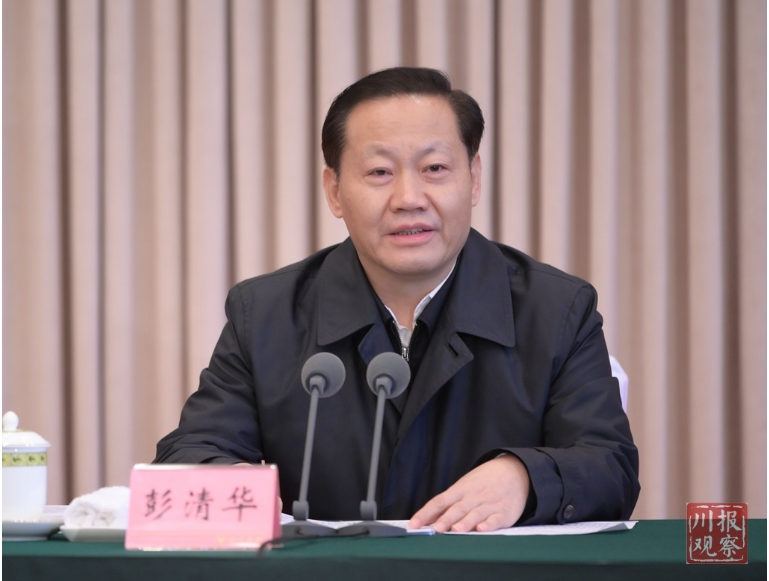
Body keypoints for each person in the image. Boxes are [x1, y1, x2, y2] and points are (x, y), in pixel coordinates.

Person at [155, 67, 640, 532]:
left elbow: (609, 465)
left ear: (474, 179)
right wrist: (230, 487)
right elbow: (190, 454)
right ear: (334, 191)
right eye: (380, 171)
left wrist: (525, 479)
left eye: (435, 168)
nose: (409, 197)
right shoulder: (266, 315)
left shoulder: (555, 311)